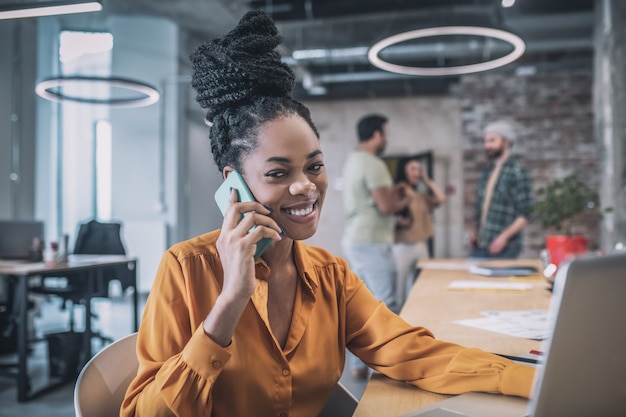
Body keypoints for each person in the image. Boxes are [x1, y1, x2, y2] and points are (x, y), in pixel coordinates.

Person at [120, 12, 535, 417]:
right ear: (234, 184)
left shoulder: (331, 276)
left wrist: (528, 380)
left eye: (314, 167)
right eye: (279, 173)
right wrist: (229, 303)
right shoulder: (186, 269)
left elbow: (411, 352)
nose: (305, 186)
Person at [341, 114, 413, 316]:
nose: (387, 139)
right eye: (386, 134)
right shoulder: (374, 164)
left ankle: (367, 347)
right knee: (387, 304)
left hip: (355, 239)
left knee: (365, 304)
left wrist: (391, 193)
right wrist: (408, 198)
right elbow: (387, 207)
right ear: (377, 135)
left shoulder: (352, 161)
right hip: (373, 243)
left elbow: (369, 200)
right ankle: (389, 348)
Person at [470, 120, 533, 259]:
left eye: (492, 141)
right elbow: (480, 208)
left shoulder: (517, 172)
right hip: (481, 244)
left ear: (506, 142)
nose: (487, 146)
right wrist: (474, 231)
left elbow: (525, 213)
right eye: (486, 141)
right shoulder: (487, 172)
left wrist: (503, 238)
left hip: (505, 247)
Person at [393, 158, 446, 307]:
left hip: (421, 245)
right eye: (413, 169)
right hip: (402, 247)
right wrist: (397, 220)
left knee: (422, 284)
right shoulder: (397, 193)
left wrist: (427, 180)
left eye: (419, 169)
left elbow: (441, 198)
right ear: (404, 171)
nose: (417, 173)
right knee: (400, 291)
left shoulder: (421, 196)